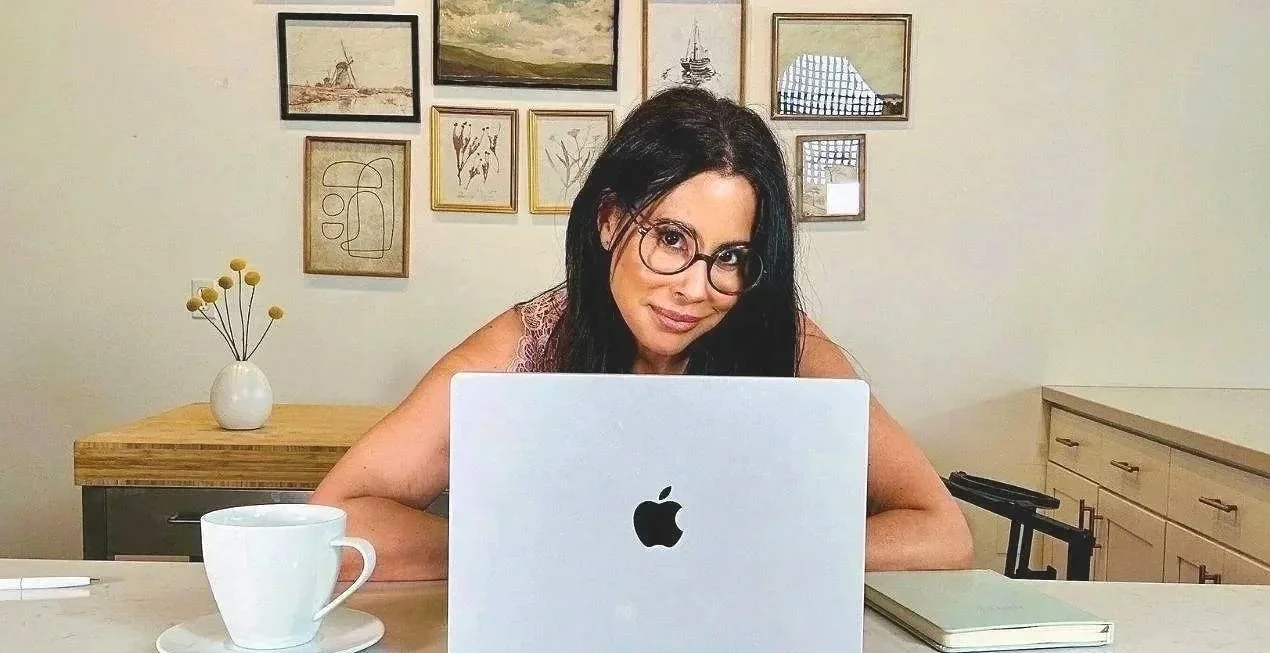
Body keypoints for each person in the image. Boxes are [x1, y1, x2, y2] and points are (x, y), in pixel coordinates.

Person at [310, 86, 974, 581]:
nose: (694, 285)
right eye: (670, 238)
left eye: (731, 257)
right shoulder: (524, 346)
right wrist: (520, 545)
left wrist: (757, 549)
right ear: (608, 222)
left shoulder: (786, 344)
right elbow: (333, 527)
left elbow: (943, 533)